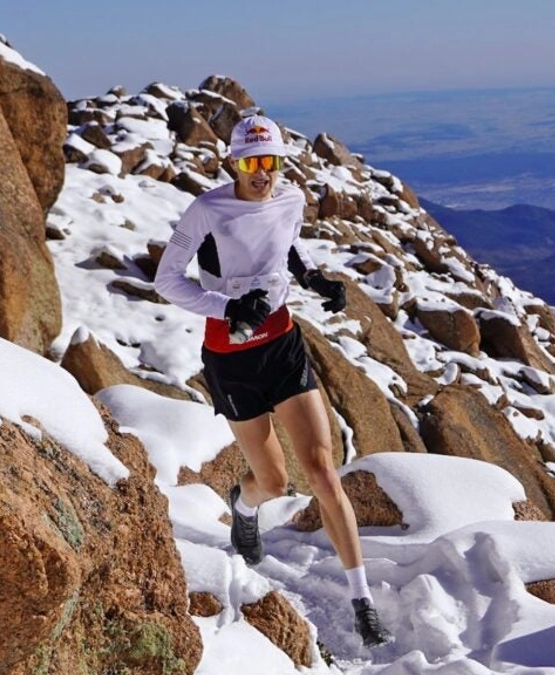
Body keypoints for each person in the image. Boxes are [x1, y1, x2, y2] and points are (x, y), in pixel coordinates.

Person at [154, 114, 393, 648]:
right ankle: (244, 505)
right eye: (253, 162)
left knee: (323, 473)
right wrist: (228, 306)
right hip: (231, 358)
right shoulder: (207, 210)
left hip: (283, 344)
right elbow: (166, 279)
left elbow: (288, 245)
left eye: (272, 162)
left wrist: (313, 279)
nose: (263, 173)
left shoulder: (289, 199)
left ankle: (363, 601)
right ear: (234, 162)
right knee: (276, 483)